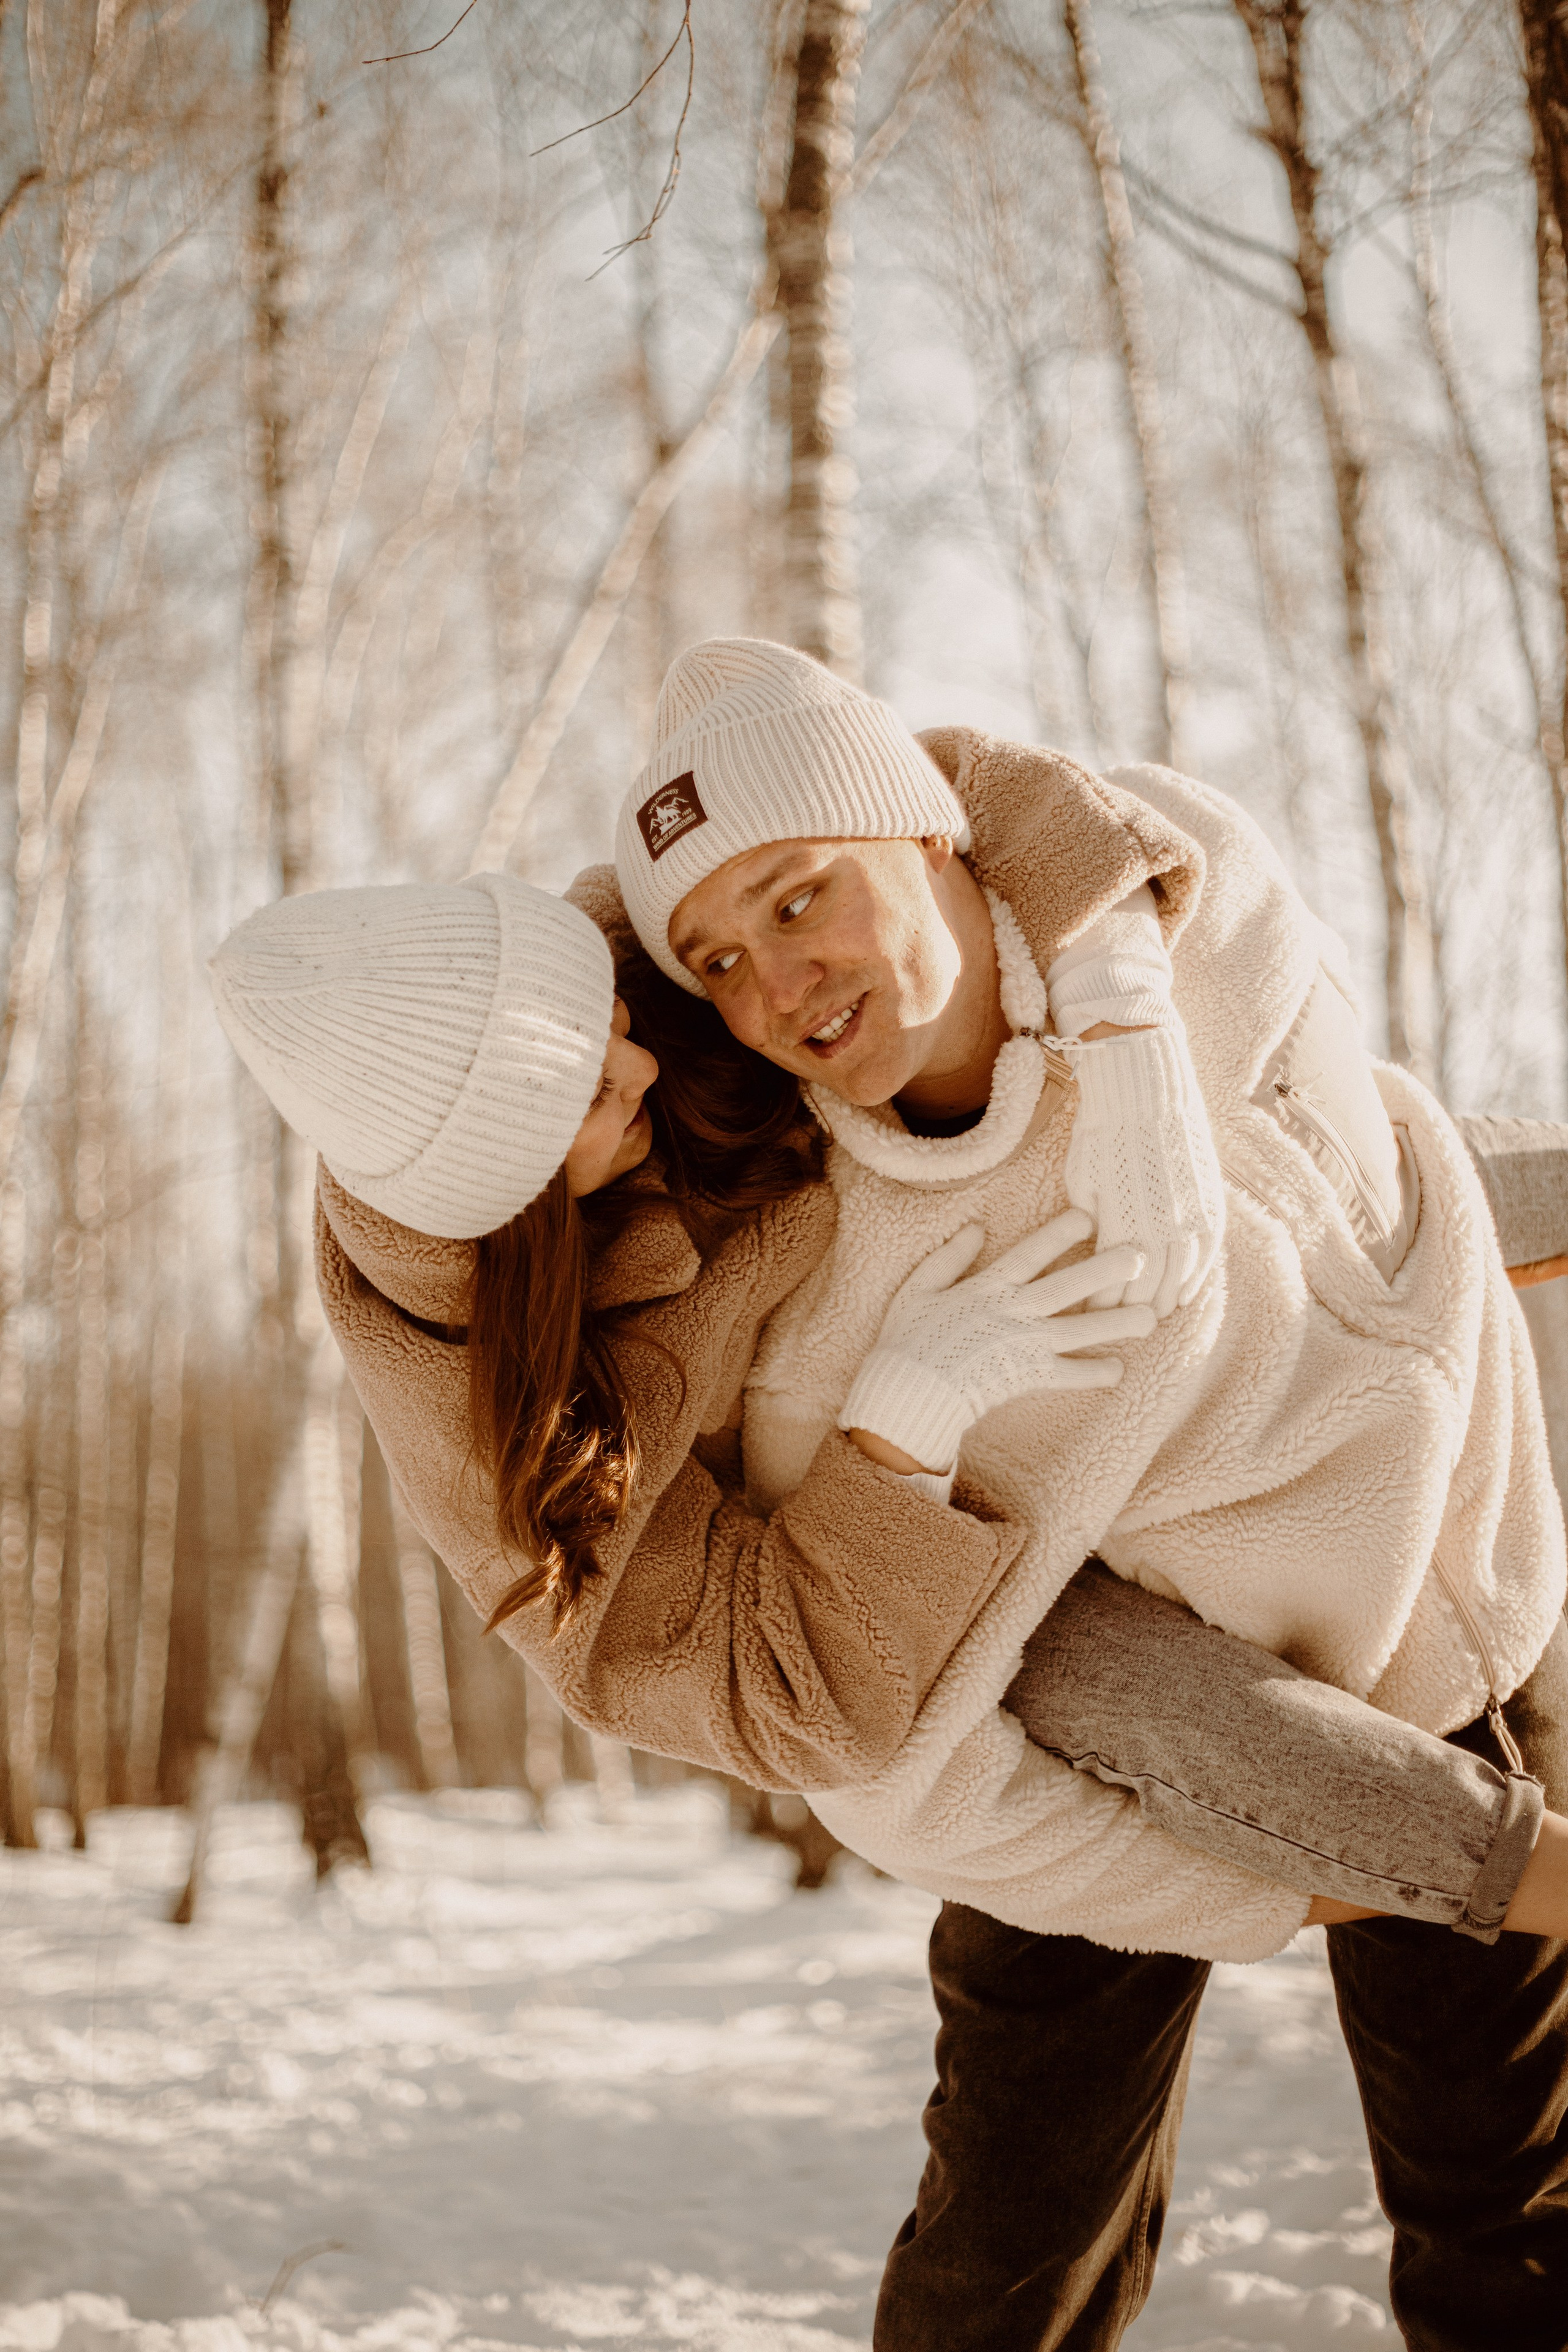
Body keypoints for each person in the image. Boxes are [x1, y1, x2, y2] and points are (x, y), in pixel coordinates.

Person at [611, 636, 1568, 2346]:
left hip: (1459, 1641)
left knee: (1516, 2220)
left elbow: (1102, 823)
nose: (774, 981)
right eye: (719, 959)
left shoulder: (1192, 939)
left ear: (928, 834)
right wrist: (1255, 1860)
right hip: (1088, 1739)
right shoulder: (824, 1274)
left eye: (800, 891)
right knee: (1011, 2246)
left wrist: (1117, 1003)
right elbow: (873, 1685)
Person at [211, 869, 1562, 1958]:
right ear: (495, 1189)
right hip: (910, 1562)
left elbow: (941, 799)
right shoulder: (480, 1410)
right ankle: (1529, 1875)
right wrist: (898, 1430)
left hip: (1050, 1248)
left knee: (1337, 1188)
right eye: (573, 1101)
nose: (636, 1069)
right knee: (1077, 1753)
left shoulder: (612, 967)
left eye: (608, 1030)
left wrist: (1119, 1017)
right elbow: (779, 1698)